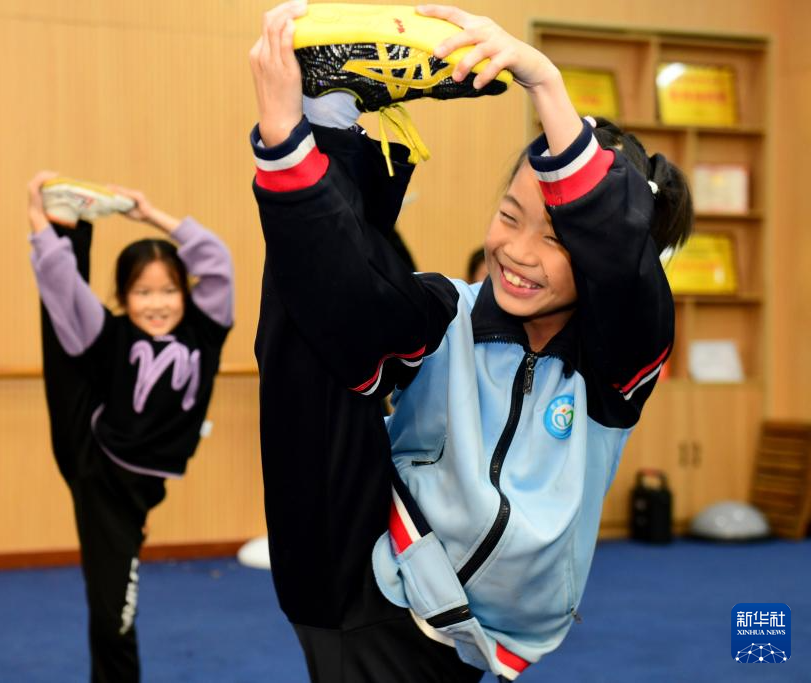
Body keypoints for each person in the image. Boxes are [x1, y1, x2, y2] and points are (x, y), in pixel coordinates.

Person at [248, 2, 691, 681]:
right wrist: (289, 139)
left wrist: (545, 83)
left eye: (556, 239)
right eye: (509, 217)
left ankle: (327, 131)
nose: (517, 251)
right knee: (324, 329)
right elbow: (337, 304)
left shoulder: (614, 369)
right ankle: (328, 123)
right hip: (374, 576)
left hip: (465, 634)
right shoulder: (450, 312)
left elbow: (622, 263)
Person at [25, 171, 234, 682]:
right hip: (99, 464)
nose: (156, 303)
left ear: (185, 292)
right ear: (123, 295)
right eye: (142, 292)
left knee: (110, 608)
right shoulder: (114, 334)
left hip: (140, 481)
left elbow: (216, 261)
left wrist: (153, 216)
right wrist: (39, 227)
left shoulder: (206, 329)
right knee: (114, 614)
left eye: (168, 290)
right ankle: (63, 222)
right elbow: (66, 294)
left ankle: (68, 223)